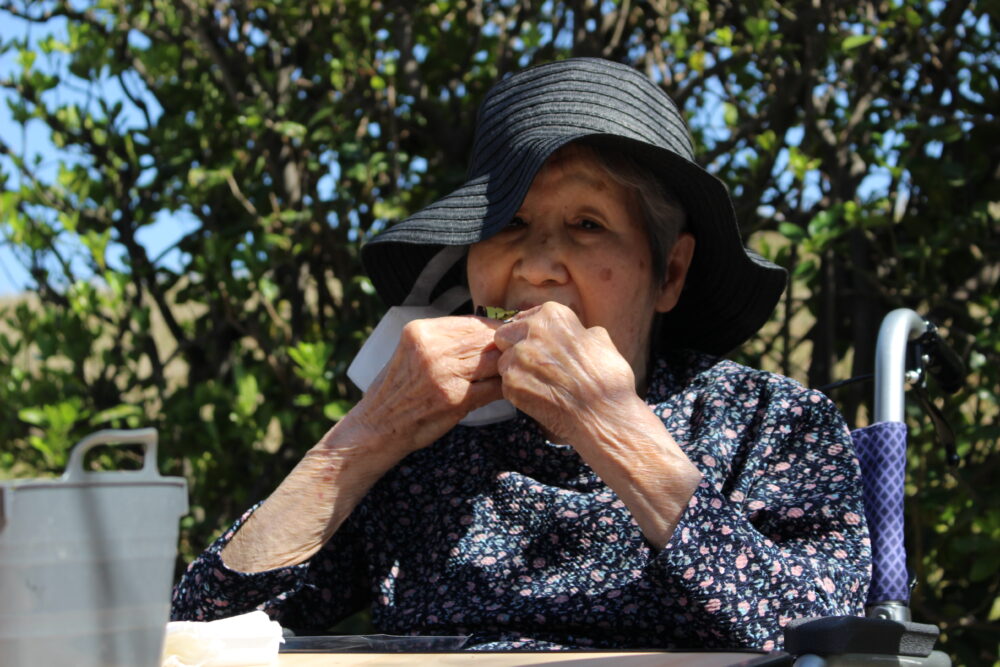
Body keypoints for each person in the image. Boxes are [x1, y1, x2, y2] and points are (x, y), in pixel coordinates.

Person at [171, 58, 870, 652]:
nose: (536, 266)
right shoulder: (420, 436)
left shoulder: (770, 422)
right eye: (508, 223)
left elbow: (831, 642)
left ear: (670, 273)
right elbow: (197, 632)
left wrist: (609, 424)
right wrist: (367, 433)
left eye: (587, 224)